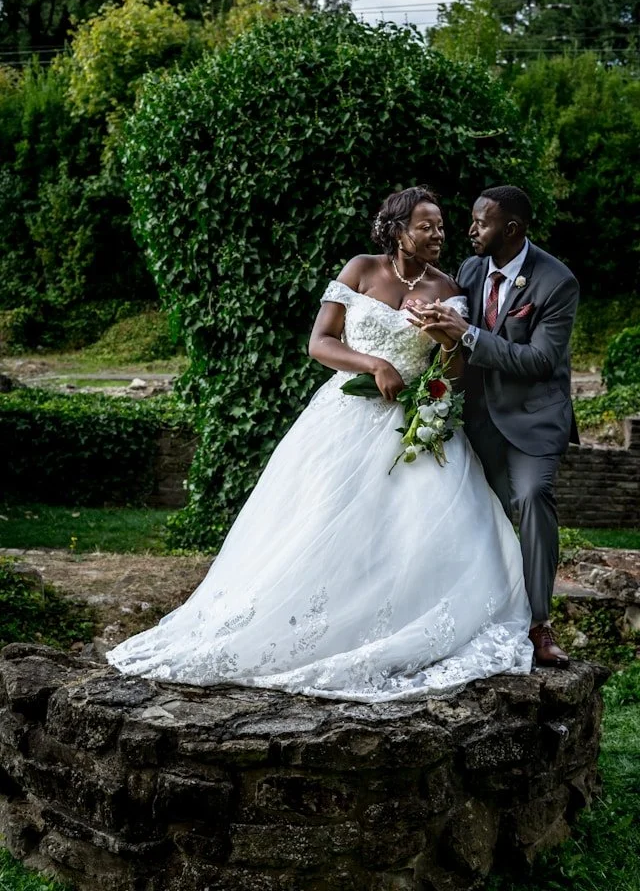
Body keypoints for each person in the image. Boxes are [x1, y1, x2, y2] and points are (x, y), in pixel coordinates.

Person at [107, 186, 533, 701]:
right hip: (344, 418)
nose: (439, 235)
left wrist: (447, 340)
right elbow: (321, 343)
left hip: (412, 426)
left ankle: (388, 622)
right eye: (427, 227)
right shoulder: (361, 269)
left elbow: (454, 370)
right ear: (397, 231)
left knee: (415, 530)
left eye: (442, 226)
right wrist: (375, 364)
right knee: (319, 521)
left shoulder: (447, 288)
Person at [407, 186, 579, 668]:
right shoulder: (470, 269)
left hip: (532, 422)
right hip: (476, 417)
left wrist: (468, 335)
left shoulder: (557, 282)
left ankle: (539, 625)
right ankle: (469, 619)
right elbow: (455, 339)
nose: (469, 230)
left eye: (480, 223)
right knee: (467, 508)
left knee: (530, 499)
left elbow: (541, 360)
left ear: (512, 230)